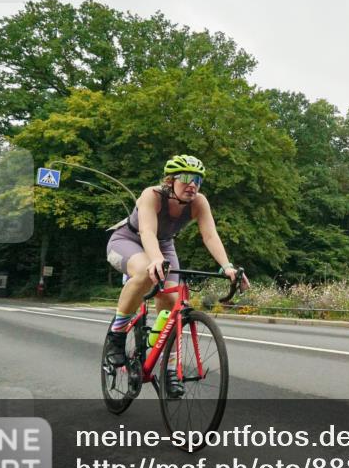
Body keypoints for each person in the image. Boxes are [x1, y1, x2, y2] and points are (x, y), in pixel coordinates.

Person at [103, 155, 247, 396]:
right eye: (188, 179)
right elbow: (147, 231)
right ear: (171, 181)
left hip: (165, 245)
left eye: (198, 180)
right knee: (144, 273)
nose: (193, 185)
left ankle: (169, 369)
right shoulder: (152, 195)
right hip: (128, 240)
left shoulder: (199, 202)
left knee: (171, 301)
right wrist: (156, 258)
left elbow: (210, 236)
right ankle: (116, 336)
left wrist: (227, 266)